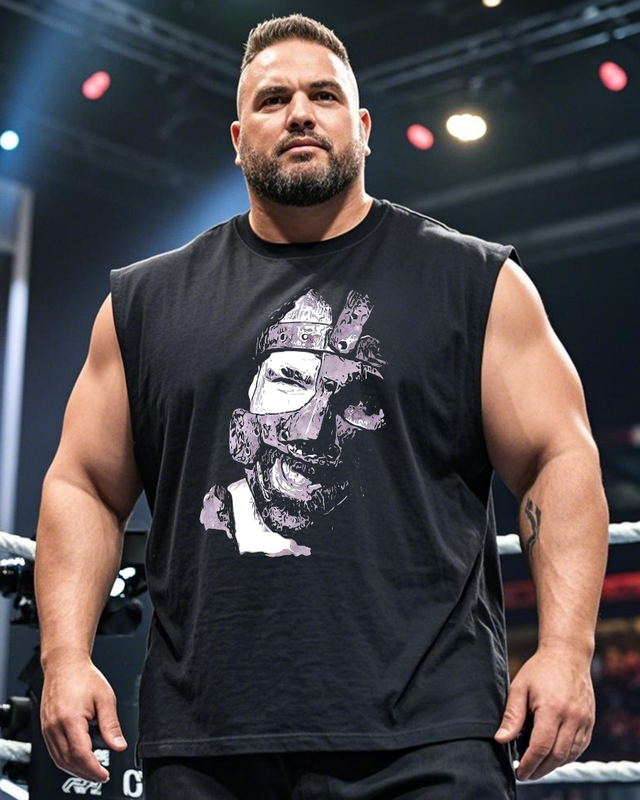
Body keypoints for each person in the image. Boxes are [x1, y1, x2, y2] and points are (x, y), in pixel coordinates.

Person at [34, 13, 609, 800]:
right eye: (273, 100)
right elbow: (85, 485)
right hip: (207, 746)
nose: (300, 112)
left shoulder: (475, 284)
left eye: (324, 95)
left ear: (362, 128)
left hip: (428, 741)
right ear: (238, 138)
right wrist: (66, 657)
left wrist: (569, 650)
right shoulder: (147, 304)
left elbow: (558, 457)